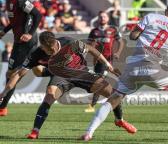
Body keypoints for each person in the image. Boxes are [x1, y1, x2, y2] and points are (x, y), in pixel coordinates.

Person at [81, 0, 168, 141]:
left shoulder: (152, 17)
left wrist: (147, 35)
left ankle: (89, 133)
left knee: (112, 100)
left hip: (132, 68)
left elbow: (133, 36)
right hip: (151, 68)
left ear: (166, 11)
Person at [0, 31, 137, 139]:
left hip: (81, 72)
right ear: (43, 46)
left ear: (55, 43)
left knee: (113, 94)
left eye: (52, 49)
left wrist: (109, 66)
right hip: (62, 77)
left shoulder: (69, 42)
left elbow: (92, 50)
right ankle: (35, 131)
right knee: (49, 95)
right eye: (48, 50)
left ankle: (119, 120)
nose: (51, 52)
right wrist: (4, 93)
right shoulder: (37, 53)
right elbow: (18, 74)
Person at [0, 0, 42, 116]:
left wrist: (30, 33)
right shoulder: (8, 0)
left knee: (13, 74)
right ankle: (52, 70)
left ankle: (2, 107)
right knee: (34, 71)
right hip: (18, 41)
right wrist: (4, 31)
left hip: (27, 42)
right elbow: (14, 22)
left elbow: (37, 15)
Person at [85, 11, 124, 113]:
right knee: (100, 82)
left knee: (99, 82)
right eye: (100, 16)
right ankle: (117, 96)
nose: (102, 18)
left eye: (104, 16)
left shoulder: (113, 29)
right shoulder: (94, 31)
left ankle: (92, 105)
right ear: (98, 18)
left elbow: (121, 41)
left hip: (109, 59)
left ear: (108, 18)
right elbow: (89, 46)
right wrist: (92, 53)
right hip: (98, 60)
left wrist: (118, 53)